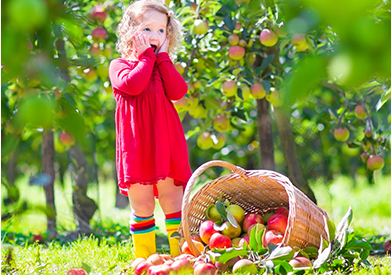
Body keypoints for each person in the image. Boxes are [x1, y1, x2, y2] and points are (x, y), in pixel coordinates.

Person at [109, 0, 191, 258]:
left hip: (165, 143)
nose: (154, 36)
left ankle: (181, 256)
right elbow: (133, 86)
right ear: (129, 31)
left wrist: (163, 58)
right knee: (142, 204)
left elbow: (179, 91)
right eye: (147, 29)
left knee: (173, 200)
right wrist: (146, 58)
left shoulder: (163, 66)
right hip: (137, 147)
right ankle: (145, 261)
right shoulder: (119, 65)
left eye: (161, 31)